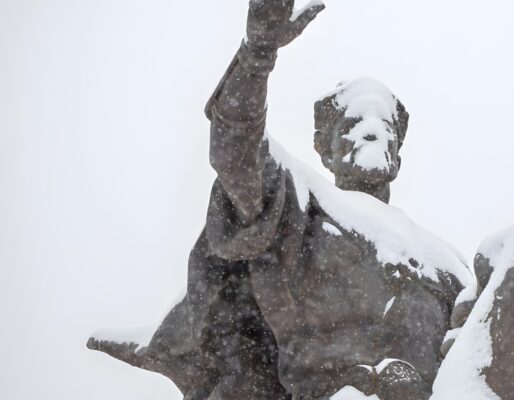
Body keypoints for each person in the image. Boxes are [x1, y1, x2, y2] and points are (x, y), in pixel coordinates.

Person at [88, 1, 475, 399]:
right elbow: (237, 156)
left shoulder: (453, 267)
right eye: (354, 123)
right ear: (324, 148)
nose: (373, 131)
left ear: (399, 154)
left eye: (385, 124)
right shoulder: (305, 205)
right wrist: (258, 55)